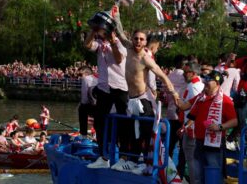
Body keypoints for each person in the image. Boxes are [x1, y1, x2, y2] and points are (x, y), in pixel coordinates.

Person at [110, 29, 180, 173]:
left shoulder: (146, 58)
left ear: (145, 42)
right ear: (133, 39)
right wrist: (115, 13)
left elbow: (163, 76)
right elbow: (121, 33)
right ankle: (134, 162)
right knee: (134, 132)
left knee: (147, 133)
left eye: (142, 39)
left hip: (143, 101)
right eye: (136, 38)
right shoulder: (129, 47)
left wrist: (174, 94)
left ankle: (147, 164)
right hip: (132, 100)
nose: (138, 41)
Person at [173, 70, 238, 184]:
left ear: (217, 84)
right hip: (199, 141)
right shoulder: (200, 97)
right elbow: (183, 107)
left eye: (209, 80)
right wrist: (173, 93)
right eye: (206, 79)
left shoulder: (225, 101)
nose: (206, 82)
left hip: (214, 144)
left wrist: (220, 126)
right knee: (199, 174)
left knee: (214, 174)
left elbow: (234, 121)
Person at [85, 24, 129, 169]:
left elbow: (118, 59)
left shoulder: (121, 43)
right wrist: (93, 29)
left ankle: (124, 158)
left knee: (123, 122)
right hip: (104, 87)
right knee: (99, 122)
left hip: (120, 86)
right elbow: (87, 44)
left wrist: (113, 41)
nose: (104, 33)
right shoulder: (100, 44)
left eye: (106, 30)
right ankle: (104, 158)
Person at [177, 62, 205, 183]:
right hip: (189, 126)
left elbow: (196, 110)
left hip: (191, 128)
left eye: (185, 72)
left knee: (191, 158)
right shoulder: (194, 85)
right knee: (188, 157)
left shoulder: (195, 87)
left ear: (192, 73)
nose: (183, 74)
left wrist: (186, 126)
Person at [78, 66, 98, 138]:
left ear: (86, 73)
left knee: (81, 108)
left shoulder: (86, 79)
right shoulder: (97, 78)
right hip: (102, 106)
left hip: (94, 107)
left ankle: (83, 134)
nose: (79, 77)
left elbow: (84, 99)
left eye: (80, 75)